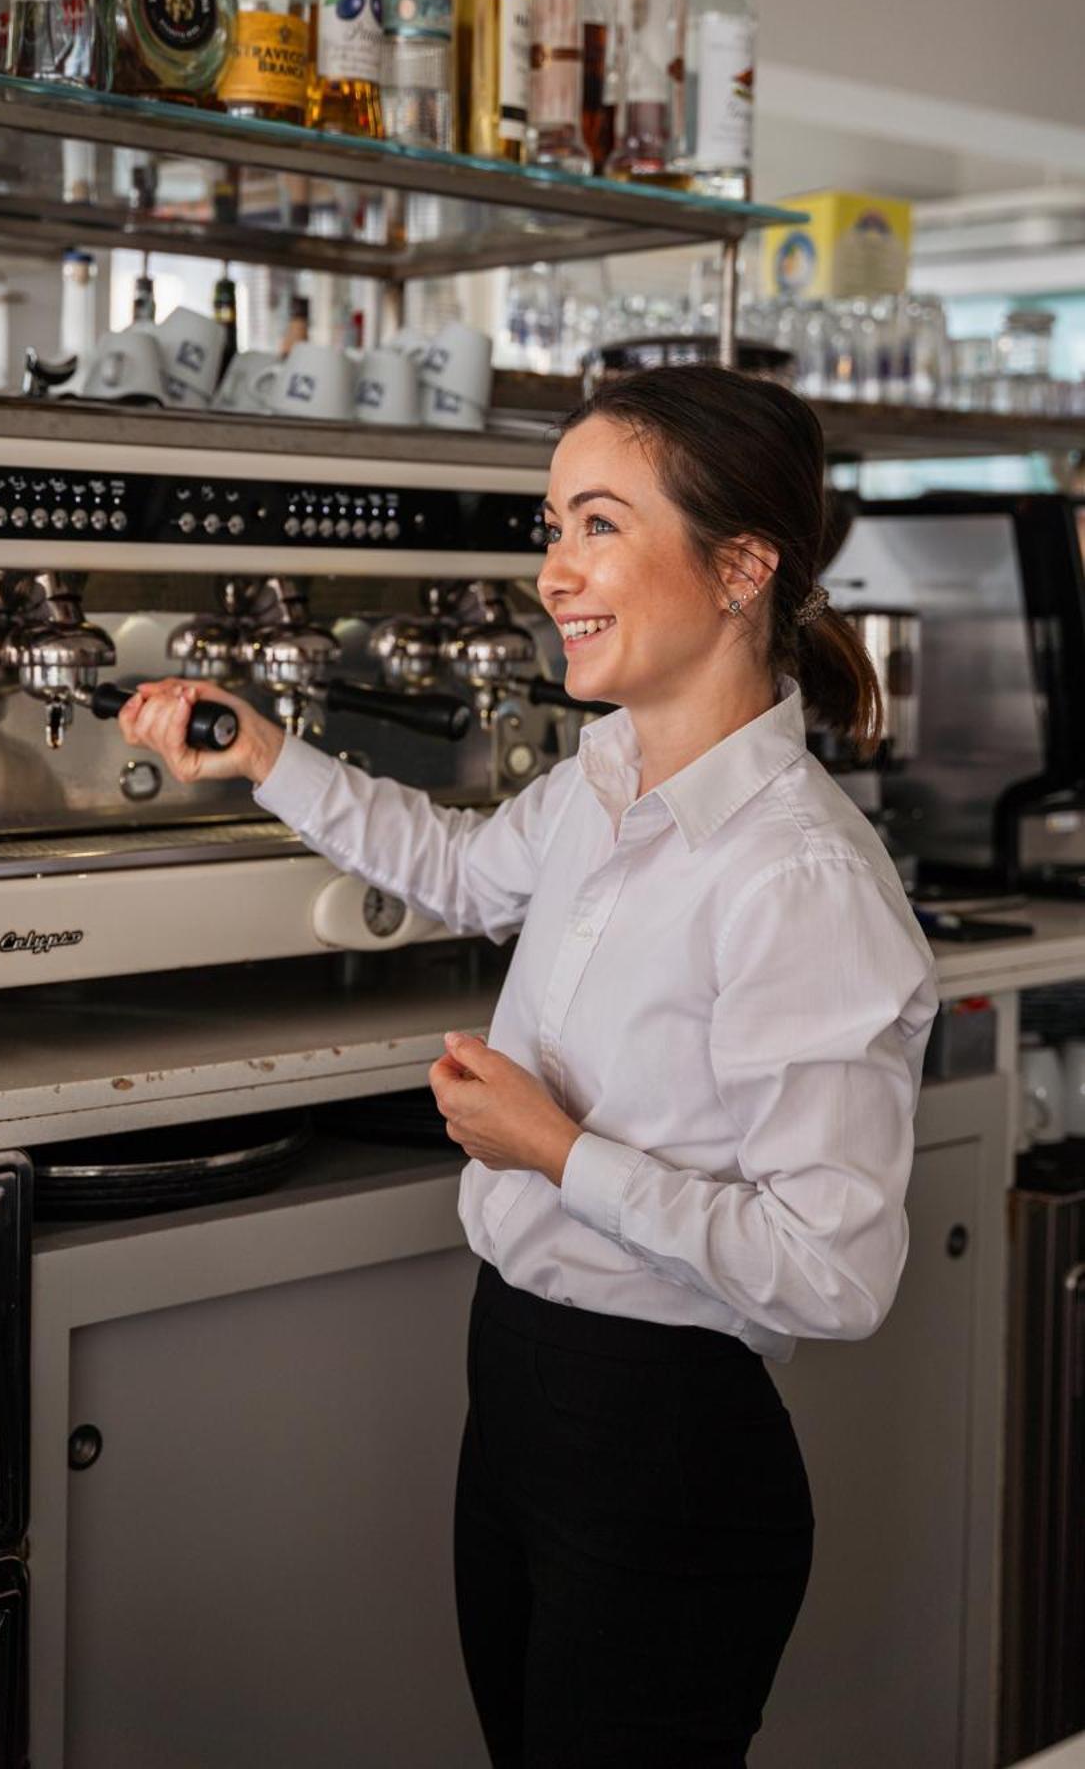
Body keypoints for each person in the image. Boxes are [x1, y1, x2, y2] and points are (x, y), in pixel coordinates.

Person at [119, 365, 939, 1769]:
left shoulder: (798, 878)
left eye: (599, 526)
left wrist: (555, 1149)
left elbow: (836, 1273)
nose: (554, 571)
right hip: (520, 1379)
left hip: (665, 1441)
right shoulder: (602, 775)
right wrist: (265, 757)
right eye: (550, 526)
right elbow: (453, 868)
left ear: (741, 567)